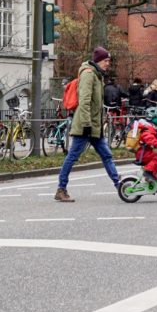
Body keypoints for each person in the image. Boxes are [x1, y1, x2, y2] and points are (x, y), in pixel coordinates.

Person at [55, 47, 122, 203]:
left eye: (108, 61)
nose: (108, 64)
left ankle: (119, 184)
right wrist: (86, 124)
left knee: (106, 155)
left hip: (94, 126)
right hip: (85, 126)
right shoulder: (88, 74)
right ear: (99, 61)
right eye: (106, 61)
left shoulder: (97, 76)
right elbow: (85, 101)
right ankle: (61, 189)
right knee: (72, 157)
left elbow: (96, 104)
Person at [130, 116, 157, 185]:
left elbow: (155, 140)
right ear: (156, 122)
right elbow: (151, 140)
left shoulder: (151, 130)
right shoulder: (147, 130)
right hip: (142, 154)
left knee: (154, 166)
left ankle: (153, 183)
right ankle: (147, 173)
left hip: (145, 152)